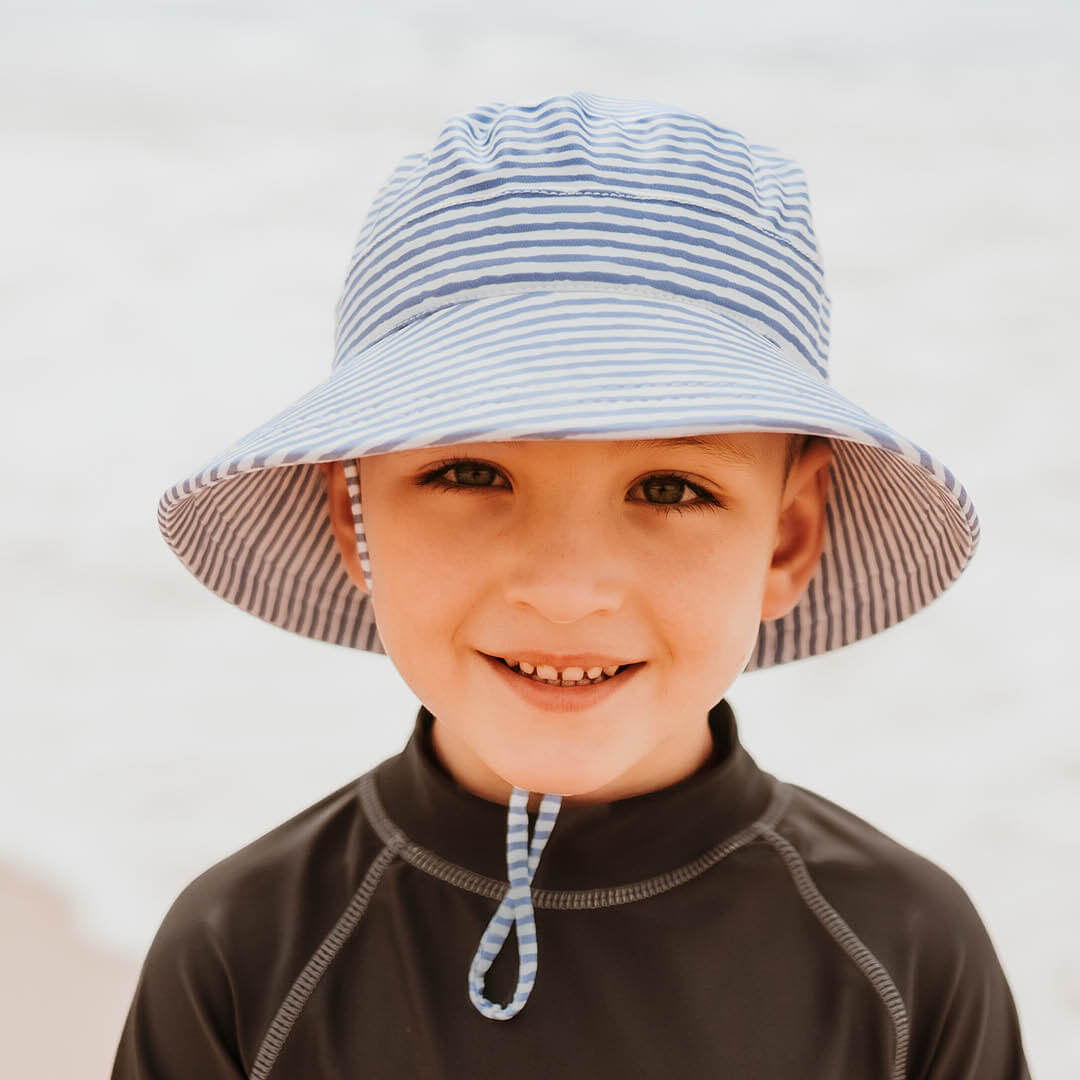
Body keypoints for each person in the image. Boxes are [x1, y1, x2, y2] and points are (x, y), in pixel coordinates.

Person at [111, 91, 1030, 1078]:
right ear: (353, 516)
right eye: (470, 473)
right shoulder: (241, 953)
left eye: (671, 486)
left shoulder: (903, 956)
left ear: (788, 537)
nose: (565, 591)